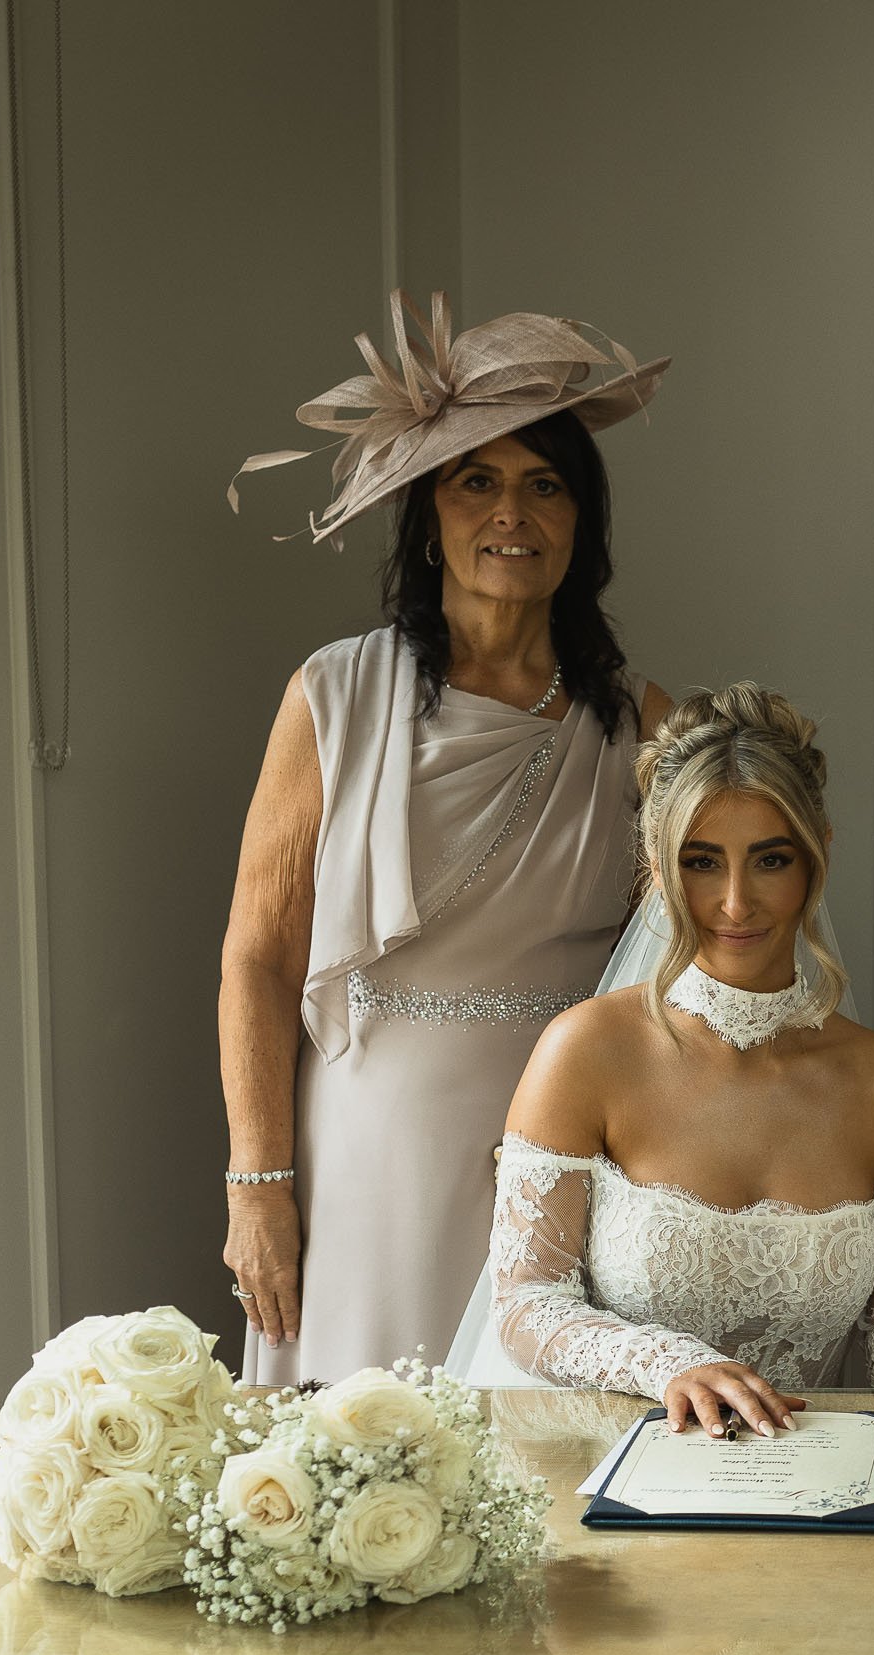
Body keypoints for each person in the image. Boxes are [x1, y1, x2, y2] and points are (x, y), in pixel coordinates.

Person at [218, 292, 675, 1384]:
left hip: (567, 1157)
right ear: (428, 514)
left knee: (546, 1491)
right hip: (367, 1160)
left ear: (580, 523)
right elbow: (259, 956)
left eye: (544, 483)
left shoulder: (645, 727)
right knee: (359, 1484)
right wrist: (257, 1185)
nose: (510, 512)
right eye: (477, 480)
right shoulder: (333, 694)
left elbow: (688, 976)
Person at [455, 683, 874, 1437]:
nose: (735, 902)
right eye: (701, 861)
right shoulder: (584, 1052)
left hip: (806, 1476)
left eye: (769, 859)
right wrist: (667, 1366)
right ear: (658, 869)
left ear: (817, 852)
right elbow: (527, 1304)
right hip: (602, 1458)